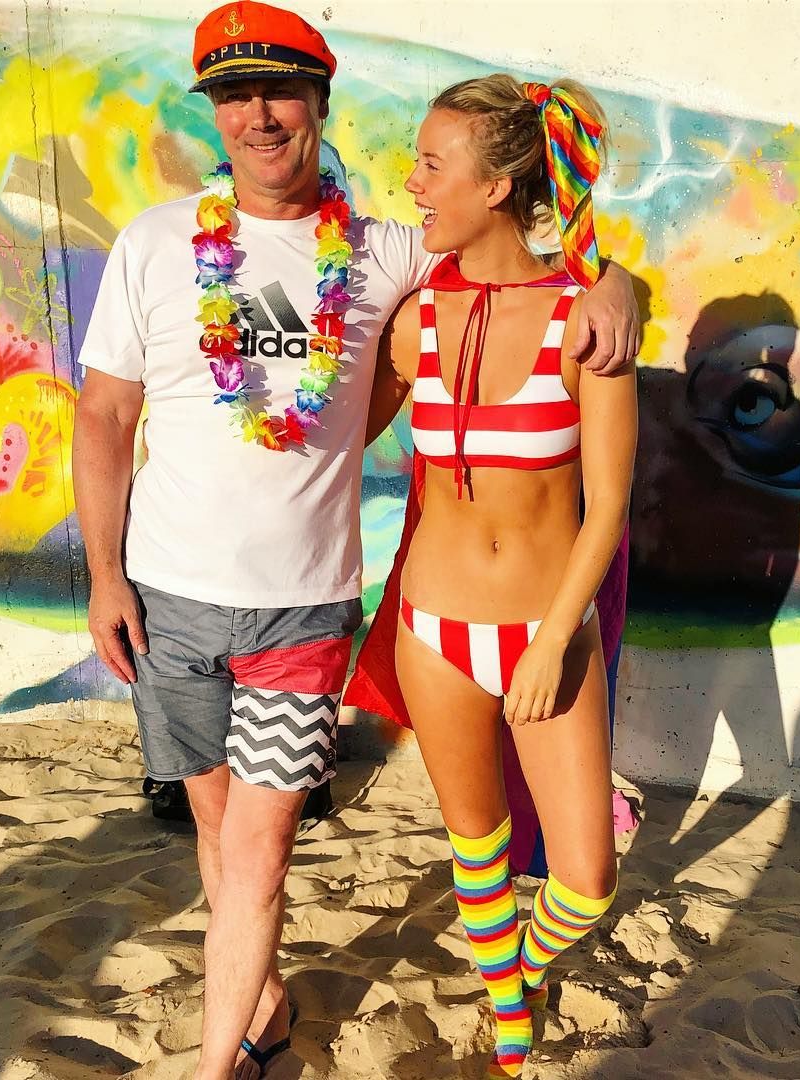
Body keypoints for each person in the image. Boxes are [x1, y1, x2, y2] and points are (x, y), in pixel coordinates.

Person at [71, 3, 640, 1076]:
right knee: (229, 837)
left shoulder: (388, 256)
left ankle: (234, 1056)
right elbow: (113, 416)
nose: (256, 115)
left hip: (321, 609)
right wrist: (105, 575)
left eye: (279, 92)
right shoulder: (163, 243)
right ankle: (287, 1011)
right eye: (233, 95)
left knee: (273, 849)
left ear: (319, 104)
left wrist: (615, 279)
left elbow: (544, 276)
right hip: (190, 601)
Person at [350, 75, 637, 1077]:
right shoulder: (412, 317)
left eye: (433, 165)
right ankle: (512, 1035)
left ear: (500, 184)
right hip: (432, 629)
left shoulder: (586, 321)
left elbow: (607, 508)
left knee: (587, 882)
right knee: (477, 849)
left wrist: (555, 643)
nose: (414, 183)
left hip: (545, 633)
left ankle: (519, 976)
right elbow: (331, 431)